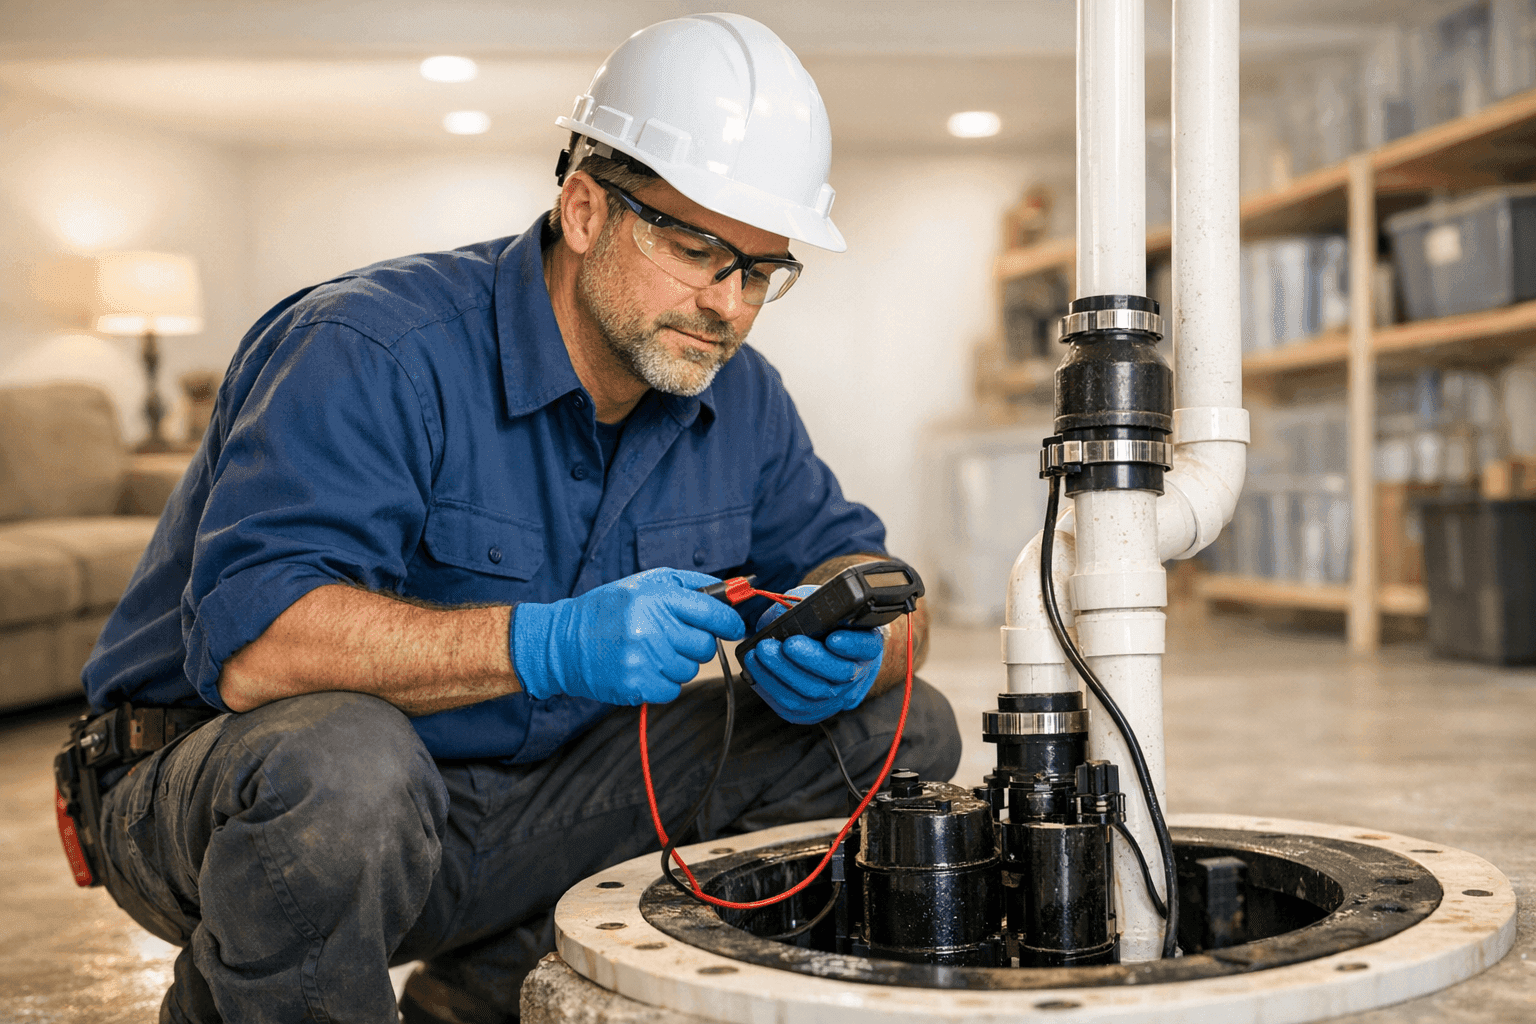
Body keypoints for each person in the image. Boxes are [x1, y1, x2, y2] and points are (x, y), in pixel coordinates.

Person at [72, 13, 960, 1024]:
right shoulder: (371, 347)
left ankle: (494, 992)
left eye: (762, 270)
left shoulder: (740, 397)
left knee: (900, 727)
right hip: (218, 798)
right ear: (584, 209)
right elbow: (260, 652)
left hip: (509, 804)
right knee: (349, 764)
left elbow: (876, 577)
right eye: (698, 248)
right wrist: (546, 643)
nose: (730, 304)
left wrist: (865, 643)